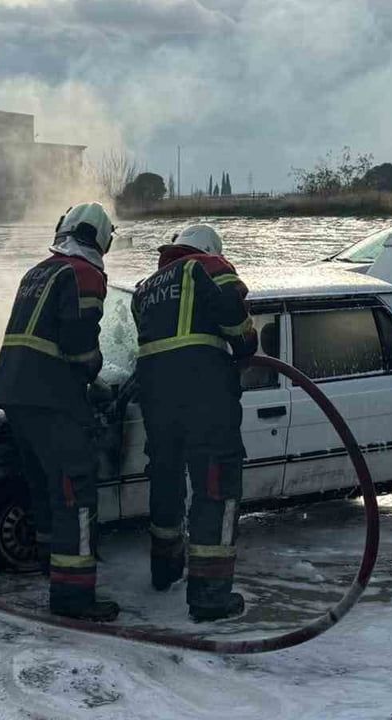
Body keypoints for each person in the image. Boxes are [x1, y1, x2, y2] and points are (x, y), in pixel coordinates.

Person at [0, 202, 118, 622]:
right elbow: (79, 346)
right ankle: (74, 597)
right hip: (52, 400)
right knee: (75, 494)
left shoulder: (39, 270)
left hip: (15, 394)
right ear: (100, 239)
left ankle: (50, 567)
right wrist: (94, 371)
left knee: (45, 487)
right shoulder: (84, 274)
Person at [131, 224, 258, 622]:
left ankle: (164, 569)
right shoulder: (206, 266)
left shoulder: (145, 287)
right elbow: (237, 324)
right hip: (202, 394)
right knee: (216, 487)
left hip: (155, 397)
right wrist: (246, 342)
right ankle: (210, 596)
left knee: (166, 479)